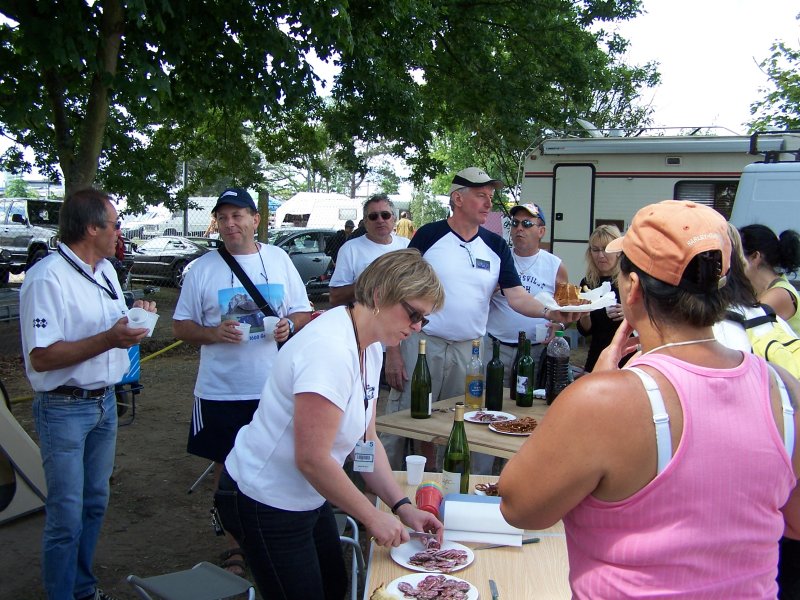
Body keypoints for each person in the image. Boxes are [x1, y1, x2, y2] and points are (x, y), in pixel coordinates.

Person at [499, 200, 800, 598]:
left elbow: (519, 506)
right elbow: (793, 522)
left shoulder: (605, 400)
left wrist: (598, 387)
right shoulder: (783, 388)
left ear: (633, 287)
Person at [217, 249, 446, 599]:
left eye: (423, 320)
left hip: (307, 493)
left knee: (336, 588)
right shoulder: (329, 349)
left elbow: (365, 441)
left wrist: (402, 507)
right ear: (379, 295)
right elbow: (312, 458)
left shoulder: (371, 342)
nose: (416, 327)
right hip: (264, 498)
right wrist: (372, 517)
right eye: (414, 314)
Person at [384, 167, 576, 468]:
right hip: (423, 343)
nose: (488, 203)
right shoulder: (429, 235)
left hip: (469, 350)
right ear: (457, 198)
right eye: (481, 196)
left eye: (490, 196)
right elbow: (396, 289)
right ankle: (385, 491)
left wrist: (550, 310)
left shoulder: (497, 245)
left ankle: (443, 489)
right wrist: (392, 352)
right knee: (406, 417)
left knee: (457, 423)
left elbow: (516, 295)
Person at [20, 188, 157, 600]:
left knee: (95, 503)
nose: (121, 232)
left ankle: (82, 588)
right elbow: (41, 357)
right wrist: (109, 340)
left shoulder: (107, 271)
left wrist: (137, 317)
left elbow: (112, 326)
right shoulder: (47, 278)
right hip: (63, 408)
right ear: (92, 227)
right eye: (116, 224)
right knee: (65, 515)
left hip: (104, 405)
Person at [173, 187, 312, 575]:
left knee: (283, 461)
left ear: (256, 220)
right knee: (227, 467)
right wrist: (214, 333)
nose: (231, 224)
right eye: (224, 217)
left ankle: (275, 535)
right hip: (222, 389)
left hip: (276, 386)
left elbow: (304, 311)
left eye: (238, 216)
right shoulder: (202, 269)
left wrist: (289, 324)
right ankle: (235, 547)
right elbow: (180, 326)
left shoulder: (280, 259)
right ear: (216, 223)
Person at [486, 202, 568, 384]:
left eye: (527, 224)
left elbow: (565, 310)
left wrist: (559, 327)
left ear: (541, 231)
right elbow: (478, 300)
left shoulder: (555, 266)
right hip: (495, 346)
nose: (519, 228)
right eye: (515, 223)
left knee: (526, 404)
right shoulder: (497, 259)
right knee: (490, 402)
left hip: (534, 350)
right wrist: (490, 290)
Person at [329, 194, 409, 307]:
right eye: (373, 216)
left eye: (385, 215)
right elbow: (335, 298)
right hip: (366, 322)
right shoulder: (350, 249)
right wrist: (373, 282)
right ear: (365, 222)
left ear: (394, 219)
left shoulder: (407, 246)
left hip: (403, 319)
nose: (380, 220)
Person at [576, 224, 627, 372]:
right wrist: (585, 314)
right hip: (597, 358)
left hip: (626, 359)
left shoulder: (629, 280)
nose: (600, 255)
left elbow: (649, 318)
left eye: (606, 249)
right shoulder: (587, 284)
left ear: (618, 251)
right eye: (595, 250)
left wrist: (629, 313)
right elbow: (585, 331)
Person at [740, 224, 800, 336]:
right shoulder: (764, 289)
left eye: (736, 254)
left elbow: (741, 329)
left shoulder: (778, 294)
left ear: (755, 257)